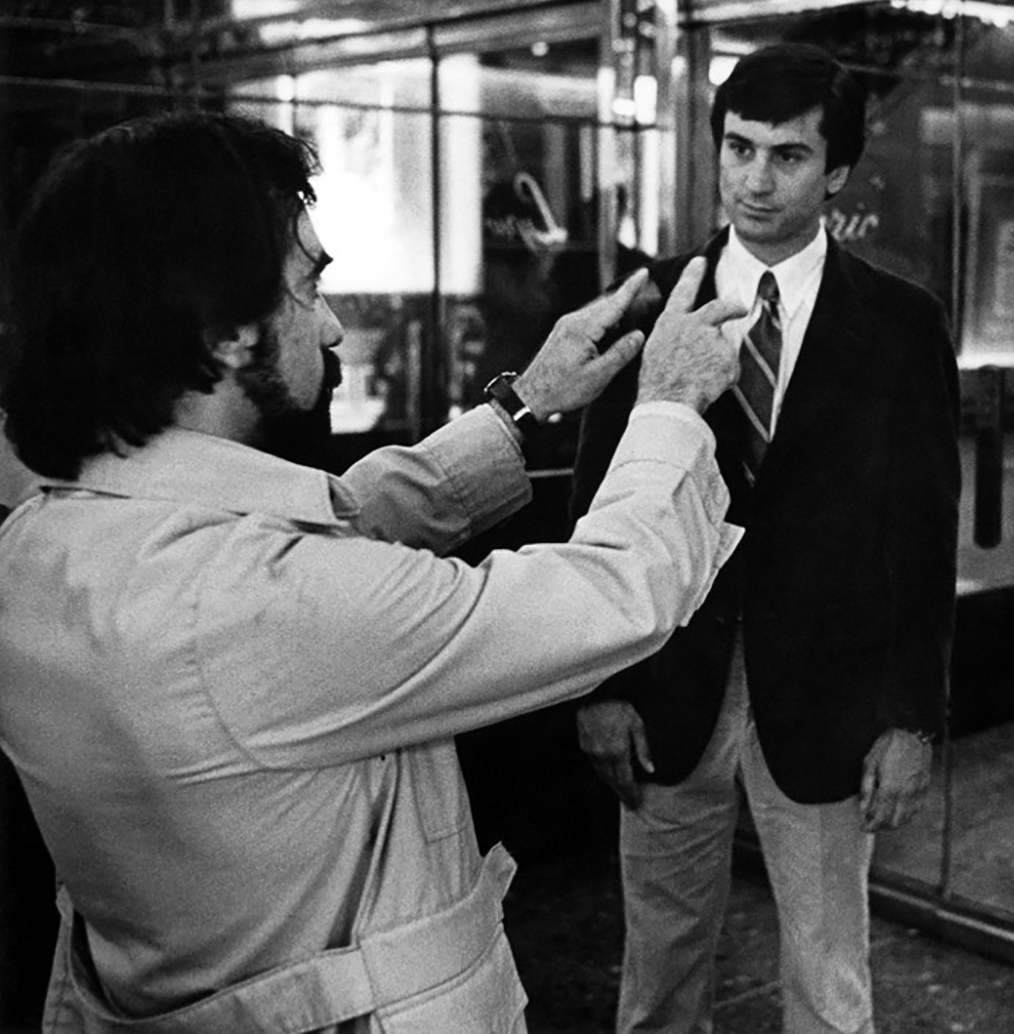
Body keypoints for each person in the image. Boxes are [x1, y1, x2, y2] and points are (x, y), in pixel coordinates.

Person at [0, 109, 748, 1032]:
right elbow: (613, 595)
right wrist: (670, 403)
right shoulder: (256, 603)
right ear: (225, 329)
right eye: (309, 283)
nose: (330, 326)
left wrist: (523, 408)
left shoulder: (42, 544)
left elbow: (326, 531)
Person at [570, 42, 961, 1033]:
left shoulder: (901, 324)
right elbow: (600, 500)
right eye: (739, 148)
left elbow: (922, 534)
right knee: (657, 972)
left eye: (787, 156)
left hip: (830, 694)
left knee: (829, 979)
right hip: (667, 679)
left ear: (836, 173)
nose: (754, 179)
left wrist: (913, 718)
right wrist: (599, 685)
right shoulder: (654, 301)